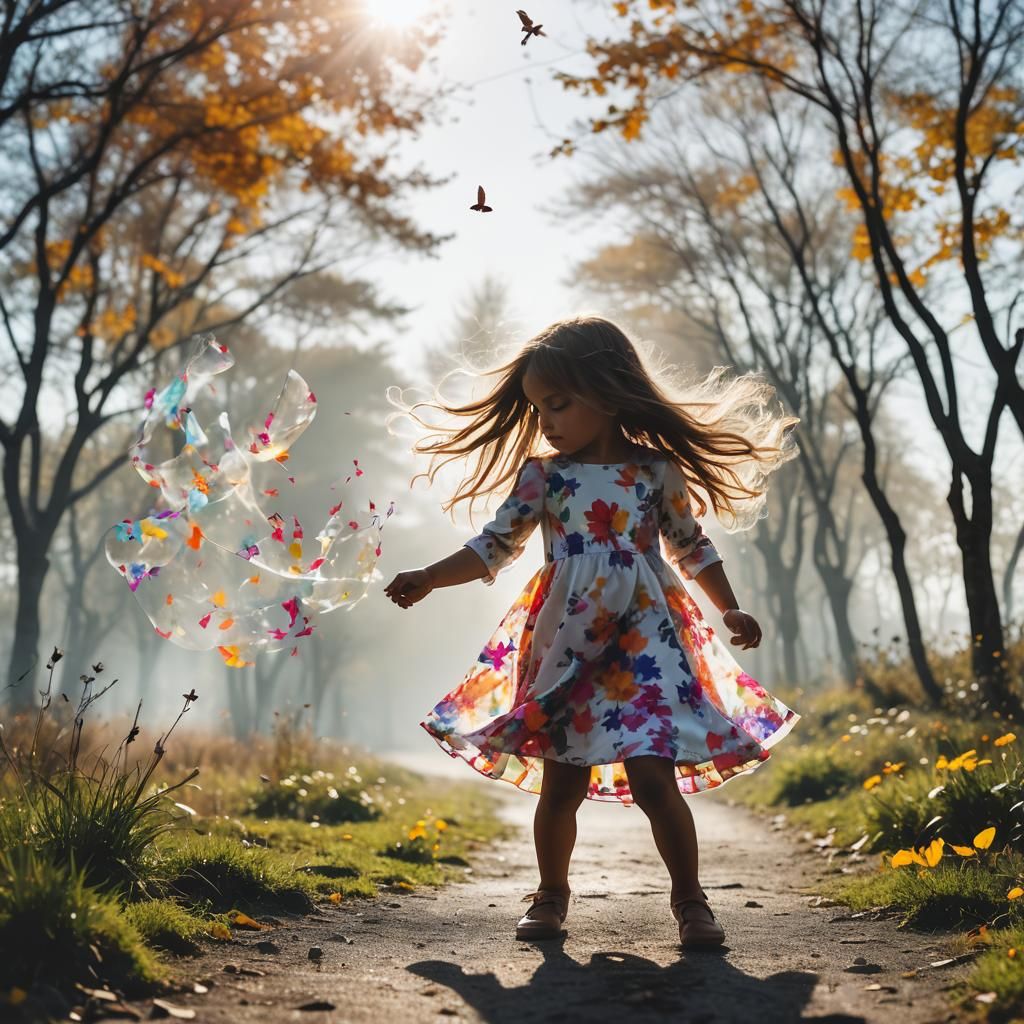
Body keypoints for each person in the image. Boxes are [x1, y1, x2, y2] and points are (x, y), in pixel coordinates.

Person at [383, 315, 801, 948]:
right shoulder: (544, 476)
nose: (546, 421)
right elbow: (493, 546)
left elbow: (691, 546)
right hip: (567, 645)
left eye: (558, 404)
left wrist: (730, 607)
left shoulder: (656, 473)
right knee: (562, 779)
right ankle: (550, 896)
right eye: (537, 408)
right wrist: (431, 576)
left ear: (605, 394)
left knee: (653, 776)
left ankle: (691, 903)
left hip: (646, 646)